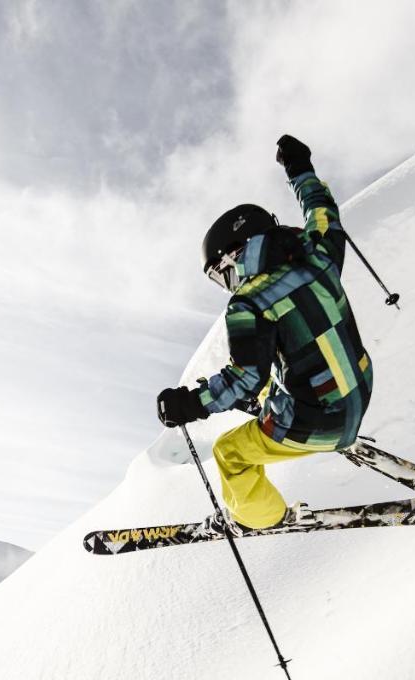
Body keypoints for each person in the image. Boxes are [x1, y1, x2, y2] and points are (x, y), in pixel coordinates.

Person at [156, 134, 373, 534]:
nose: (226, 284)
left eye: (220, 275)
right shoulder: (319, 254)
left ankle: (260, 518)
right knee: (277, 373)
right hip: (360, 391)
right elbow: (323, 211)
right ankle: (277, 410)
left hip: (320, 422)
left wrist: (191, 404)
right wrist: (299, 167)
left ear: (232, 257)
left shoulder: (248, 302)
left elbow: (246, 376)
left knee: (230, 453)